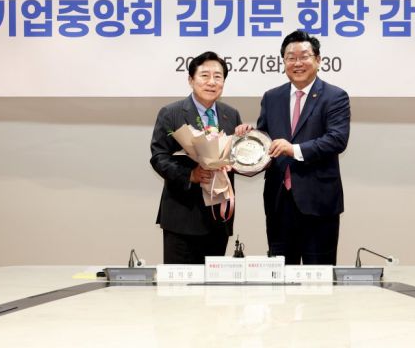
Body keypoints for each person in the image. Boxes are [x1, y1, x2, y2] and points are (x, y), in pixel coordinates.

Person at [238, 30, 350, 265]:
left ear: (318, 60)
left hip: (318, 201)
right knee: (279, 274)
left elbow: (337, 139)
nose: (297, 63)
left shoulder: (335, 96)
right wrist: (248, 138)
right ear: (284, 62)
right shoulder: (272, 97)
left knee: (318, 275)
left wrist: (294, 149)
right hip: (279, 202)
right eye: (291, 58)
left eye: (304, 56)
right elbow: (266, 142)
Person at [150, 51, 243, 264]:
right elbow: (159, 156)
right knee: (180, 282)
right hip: (182, 216)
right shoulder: (171, 113)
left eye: (218, 76)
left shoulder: (231, 114)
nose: (212, 82)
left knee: (213, 282)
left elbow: (234, 158)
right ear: (191, 80)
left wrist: (245, 149)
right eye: (205, 75)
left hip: (218, 218)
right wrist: (190, 175)